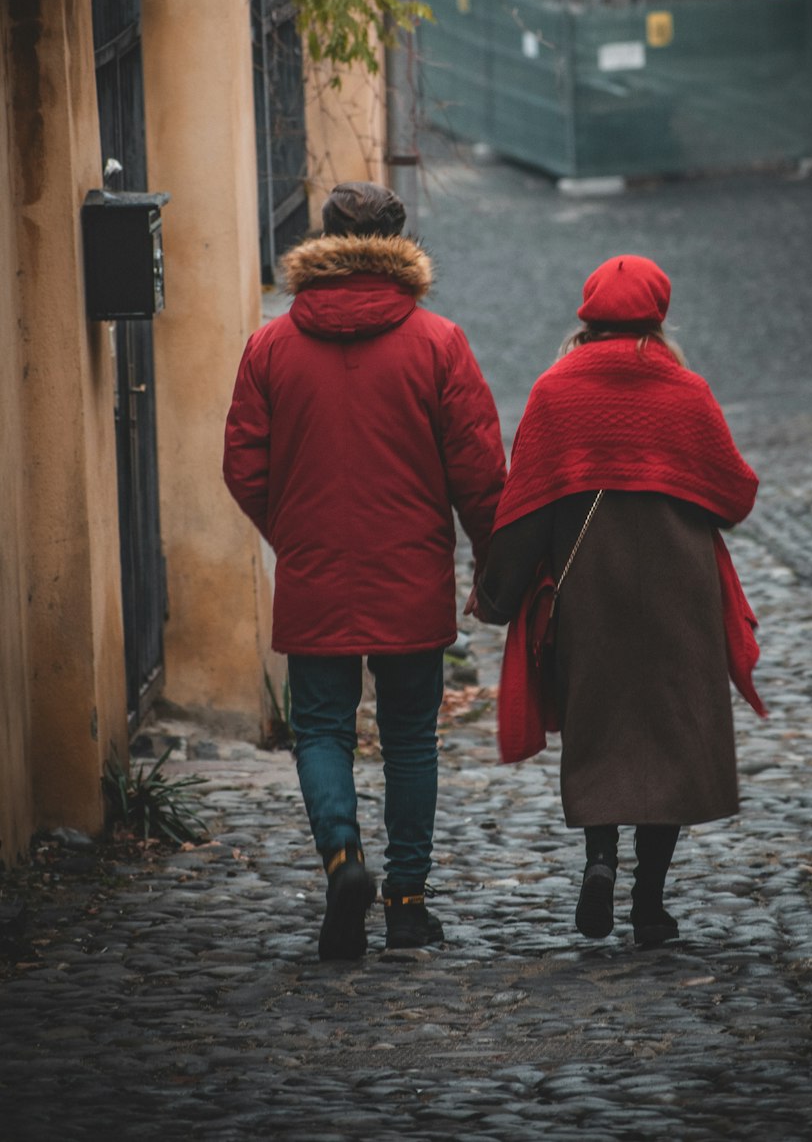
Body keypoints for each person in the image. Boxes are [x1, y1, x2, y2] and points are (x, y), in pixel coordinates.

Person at [223, 182, 506, 959]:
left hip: (316, 572)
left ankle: (343, 859)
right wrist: (489, 557)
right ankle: (407, 904)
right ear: (399, 244)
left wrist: (294, 532)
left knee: (319, 728)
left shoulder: (270, 345)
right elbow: (479, 471)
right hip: (410, 570)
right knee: (412, 737)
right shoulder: (438, 342)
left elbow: (243, 464)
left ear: (322, 242)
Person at [472, 254, 763, 946]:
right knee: (668, 735)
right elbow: (735, 496)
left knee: (598, 726)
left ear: (586, 316)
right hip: (678, 593)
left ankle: (599, 862)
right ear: (659, 317)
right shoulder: (686, 392)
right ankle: (651, 904)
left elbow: (526, 506)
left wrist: (497, 592)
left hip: (588, 589)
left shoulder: (554, 392)